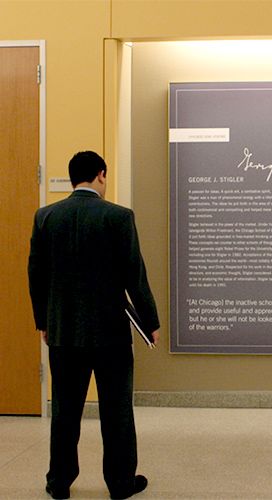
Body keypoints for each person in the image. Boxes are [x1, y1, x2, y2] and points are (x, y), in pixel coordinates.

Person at [28, 151, 160, 499]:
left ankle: (59, 482)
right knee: (116, 410)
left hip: (63, 332)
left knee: (65, 410)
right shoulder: (117, 217)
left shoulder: (46, 217)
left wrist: (44, 321)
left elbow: (36, 276)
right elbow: (136, 275)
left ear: (73, 179)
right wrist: (150, 322)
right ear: (101, 175)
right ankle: (120, 483)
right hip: (110, 334)